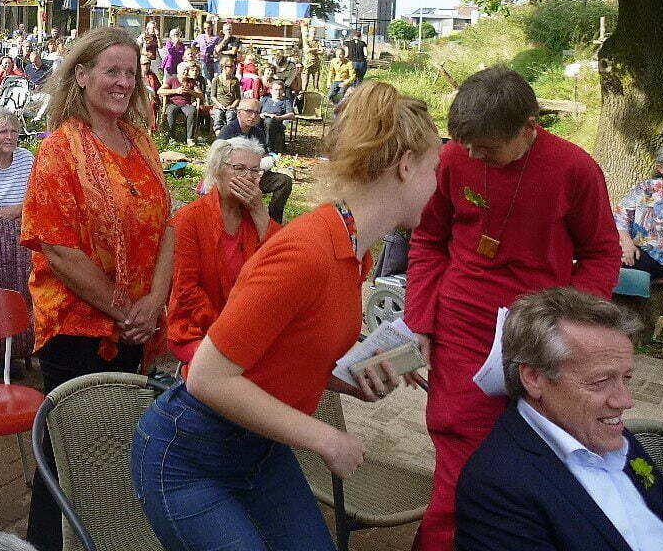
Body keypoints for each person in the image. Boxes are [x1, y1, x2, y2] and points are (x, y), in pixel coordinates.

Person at [131, 81, 441, 551]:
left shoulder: (353, 251)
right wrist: (326, 438)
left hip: (260, 451)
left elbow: (286, 353)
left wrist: (352, 376)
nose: (439, 184)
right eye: (434, 168)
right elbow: (207, 377)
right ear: (405, 166)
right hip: (190, 457)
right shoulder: (308, 250)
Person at [405, 65, 621, 551]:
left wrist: (568, 325)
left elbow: (602, 253)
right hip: (462, 332)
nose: (473, 155)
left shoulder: (575, 168)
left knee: (539, 455)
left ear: (529, 128)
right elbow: (428, 239)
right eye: (467, 145)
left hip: (541, 338)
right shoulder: (455, 157)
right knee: (461, 455)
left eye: (486, 148)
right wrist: (420, 320)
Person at [20, 26, 175, 551]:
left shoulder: (142, 143)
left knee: (120, 452)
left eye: (131, 73)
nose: (124, 82)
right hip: (77, 330)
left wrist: (153, 303)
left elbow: (167, 225)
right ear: (82, 75)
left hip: (137, 323)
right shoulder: (59, 151)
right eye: (112, 71)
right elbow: (58, 249)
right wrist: (125, 308)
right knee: (68, 458)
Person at [456, 287, 663, 550]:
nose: (625, 401)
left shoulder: (603, 430)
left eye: (627, 378)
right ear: (534, 378)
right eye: (601, 381)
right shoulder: (497, 487)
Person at [167, 137, 279, 364]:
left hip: (248, 330)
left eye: (255, 171)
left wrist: (259, 211)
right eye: (239, 168)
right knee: (236, 369)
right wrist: (227, 331)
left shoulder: (254, 218)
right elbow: (186, 290)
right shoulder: (190, 219)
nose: (248, 177)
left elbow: (280, 269)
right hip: (196, 329)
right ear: (217, 171)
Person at [217, 98, 294, 221]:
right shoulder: (227, 132)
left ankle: (274, 221)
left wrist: (269, 160)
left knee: (284, 181)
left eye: (257, 113)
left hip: (255, 176)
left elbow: (264, 155)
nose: (253, 116)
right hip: (234, 178)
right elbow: (218, 161)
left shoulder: (258, 132)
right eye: (249, 111)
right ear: (239, 112)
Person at [613, 146, 663, 279]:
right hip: (645, 253)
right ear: (661, 168)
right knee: (620, 261)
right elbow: (621, 216)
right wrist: (626, 243)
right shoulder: (646, 188)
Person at [159, 61, 205, 144]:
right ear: (179, 71)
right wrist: (175, 91)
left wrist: (190, 91)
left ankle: (189, 138)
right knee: (171, 111)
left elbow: (201, 95)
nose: (186, 72)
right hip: (174, 103)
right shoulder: (172, 80)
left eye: (187, 70)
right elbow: (160, 91)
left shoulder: (191, 81)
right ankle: (171, 138)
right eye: (184, 70)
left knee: (192, 111)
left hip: (186, 104)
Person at [260, 79, 297, 153]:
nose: (278, 92)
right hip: (262, 121)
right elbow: (257, 110)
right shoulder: (265, 99)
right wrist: (261, 114)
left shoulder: (286, 101)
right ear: (271, 90)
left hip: (276, 123)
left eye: (280, 89)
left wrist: (278, 117)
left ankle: (269, 148)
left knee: (269, 122)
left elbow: (292, 115)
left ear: (283, 91)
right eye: (276, 89)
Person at [208, 58, 242, 132]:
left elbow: (238, 98)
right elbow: (213, 96)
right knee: (218, 115)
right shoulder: (216, 80)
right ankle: (218, 133)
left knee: (231, 115)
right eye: (231, 66)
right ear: (224, 67)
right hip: (219, 105)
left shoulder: (235, 80)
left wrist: (232, 106)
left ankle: (229, 133)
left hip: (231, 106)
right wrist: (219, 105)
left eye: (233, 66)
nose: (233, 68)